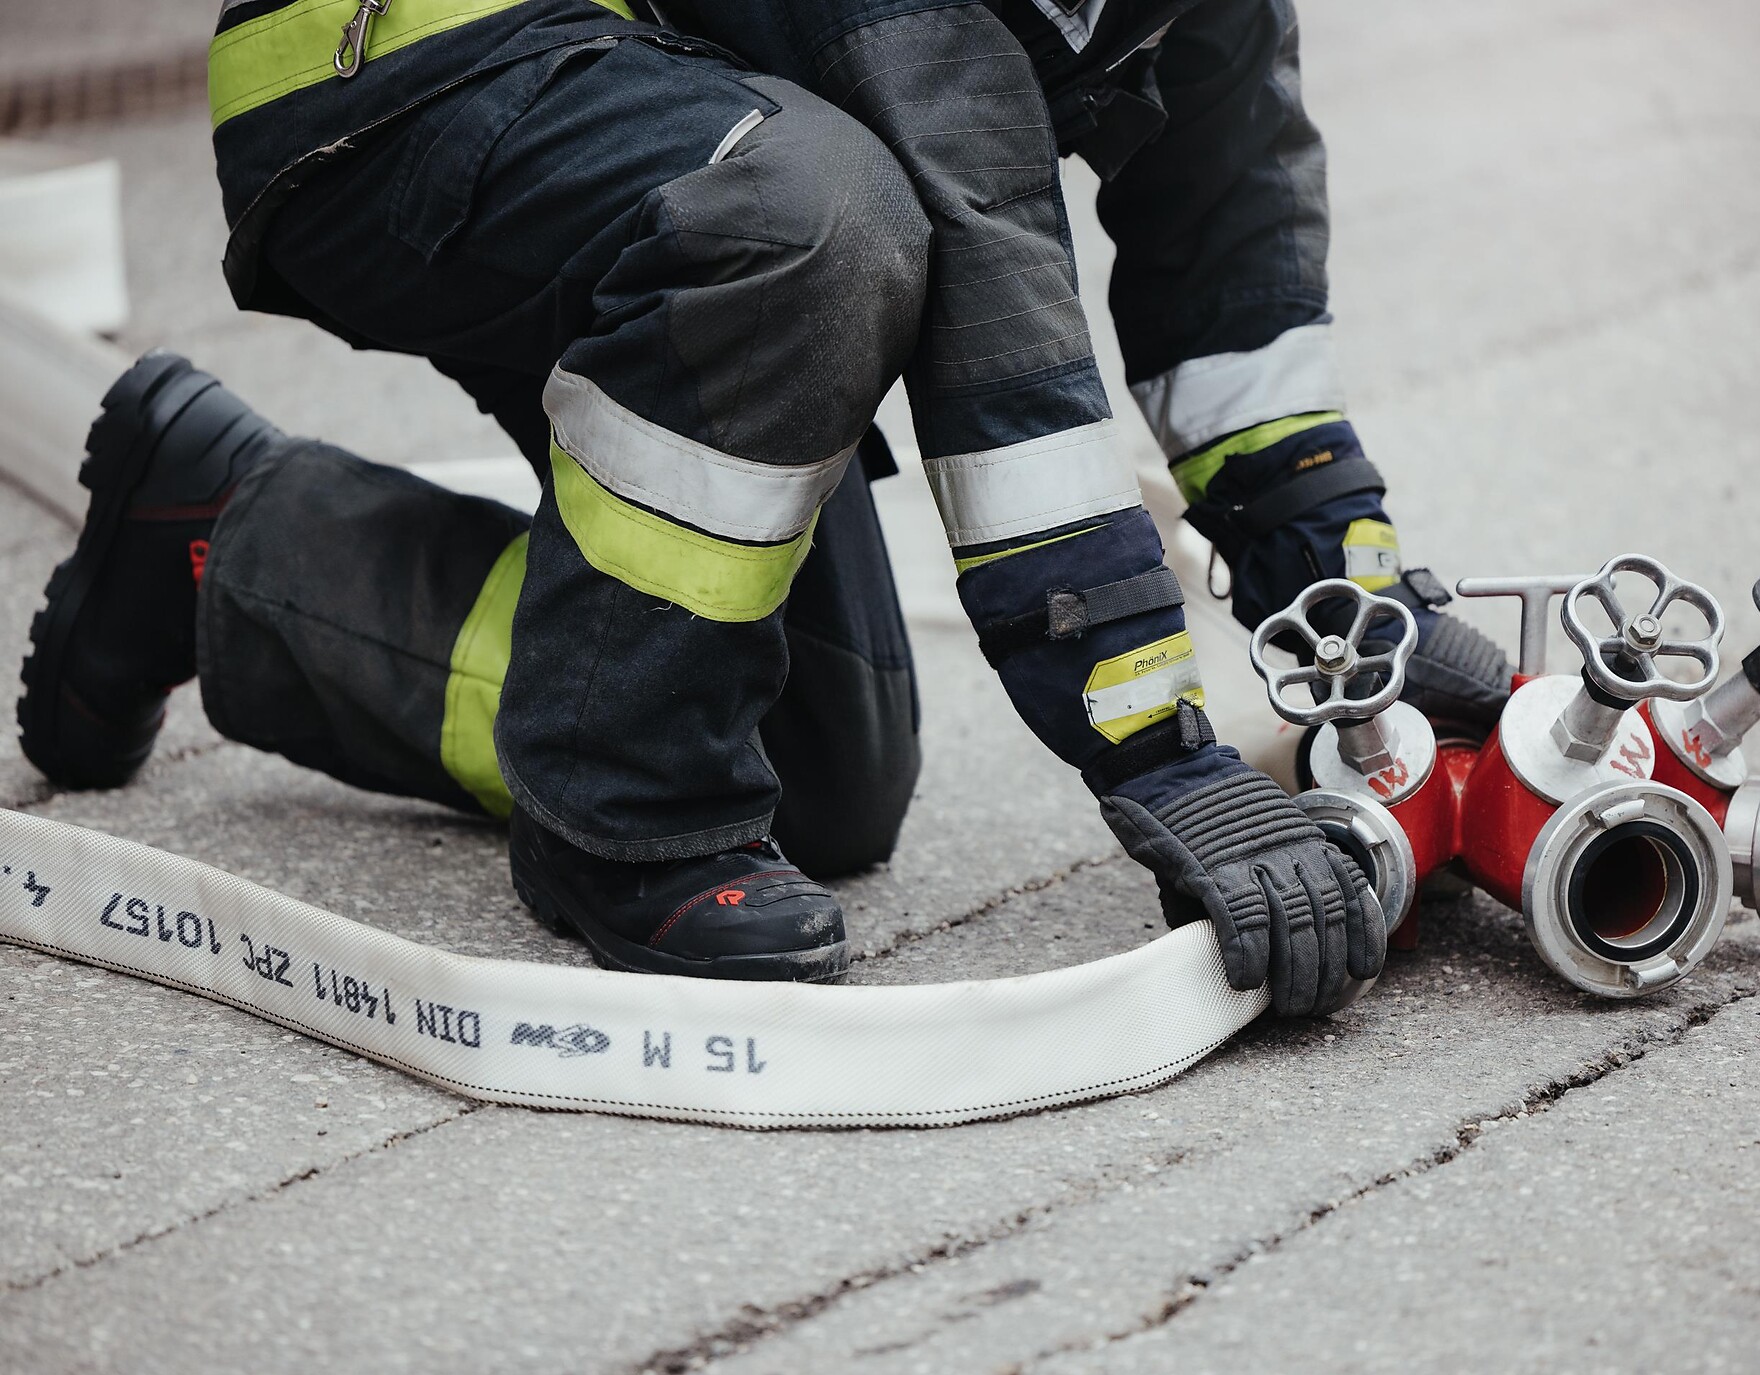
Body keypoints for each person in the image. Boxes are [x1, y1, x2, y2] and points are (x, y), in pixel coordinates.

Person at [19, 0, 1507, 1014]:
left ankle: (226, 536)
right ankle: (619, 818)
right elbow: (993, 288)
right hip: (402, 72)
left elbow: (1229, 238)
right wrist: (1165, 756)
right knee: (813, 216)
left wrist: (1345, 595)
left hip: (650, 82)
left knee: (817, 770)